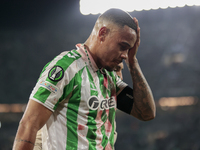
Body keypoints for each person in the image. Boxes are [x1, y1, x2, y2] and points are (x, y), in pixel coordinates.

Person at [13, 8, 156, 150]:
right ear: (102, 33)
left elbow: (147, 113)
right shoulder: (66, 67)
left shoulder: (109, 75)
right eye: (122, 46)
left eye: (129, 50)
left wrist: (133, 62)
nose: (125, 55)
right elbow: (29, 124)